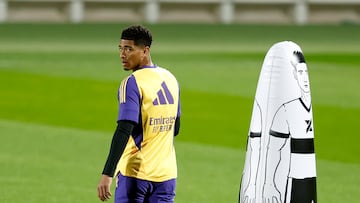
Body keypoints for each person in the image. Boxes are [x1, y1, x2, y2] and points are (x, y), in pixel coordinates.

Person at [97, 25, 181, 203]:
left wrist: (107, 173)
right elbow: (176, 127)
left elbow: (124, 129)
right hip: (167, 175)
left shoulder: (132, 83)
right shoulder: (170, 78)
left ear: (145, 50)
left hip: (135, 175)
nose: (122, 54)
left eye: (129, 49)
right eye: (120, 48)